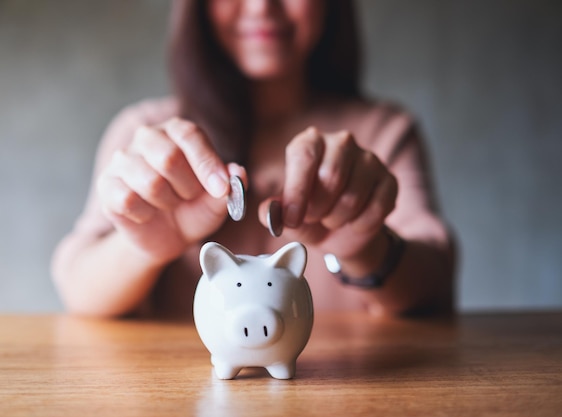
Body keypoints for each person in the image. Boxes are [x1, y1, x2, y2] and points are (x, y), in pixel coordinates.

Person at [51, 0, 455, 319]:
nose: (261, 5)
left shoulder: (384, 133)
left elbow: (436, 281)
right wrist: (147, 248)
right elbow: (77, 286)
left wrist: (366, 248)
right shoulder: (149, 134)